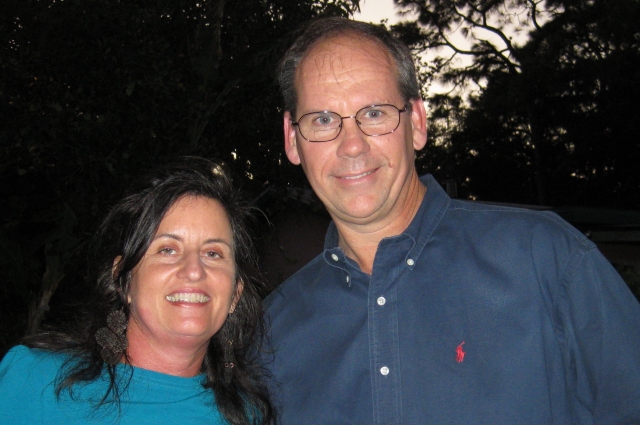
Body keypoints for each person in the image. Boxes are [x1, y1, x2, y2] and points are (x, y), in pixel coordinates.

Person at [263, 17, 640, 424]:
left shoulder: (545, 260)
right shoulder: (270, 336)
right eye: (322, 120)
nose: (351, 144)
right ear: (292, 138)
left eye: (373, 113)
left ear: (418, 124)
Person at [0, 157, 276, 424]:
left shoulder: (245, 415)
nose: (194, 270)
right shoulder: (34, 381)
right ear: (123, 279)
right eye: (168, 249)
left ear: (235, 294)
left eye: (213, 253)